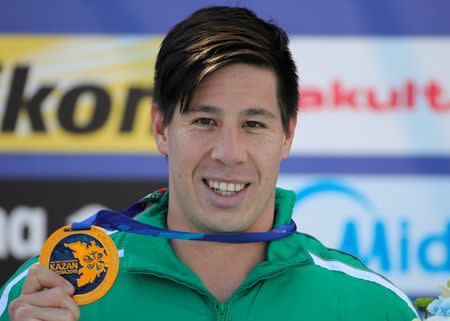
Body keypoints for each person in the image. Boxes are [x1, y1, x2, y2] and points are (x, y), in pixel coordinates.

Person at [1, 6, 419, 321]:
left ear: (287, 134)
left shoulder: (372, 306)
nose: (229, 152)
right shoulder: (48, 293)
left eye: (254, 124)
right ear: (162, 128)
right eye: (204, 121)